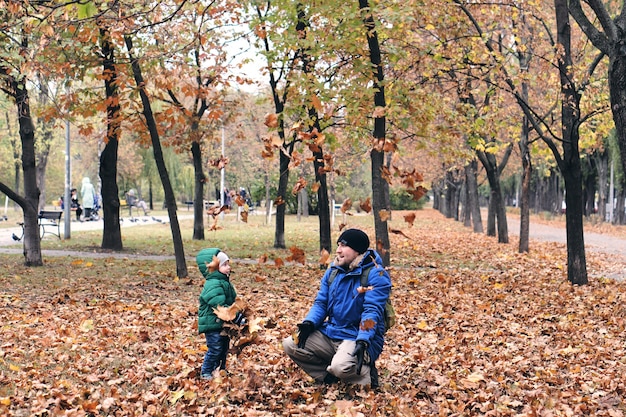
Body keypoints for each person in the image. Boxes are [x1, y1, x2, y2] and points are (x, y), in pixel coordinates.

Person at [283, 228, 392, 387]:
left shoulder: (376, 274)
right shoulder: (333, 272)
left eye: (344, 246)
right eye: (338, 245)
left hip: (357, 337)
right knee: (291, 344)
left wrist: (363, 340)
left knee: (341, 366)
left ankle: (367, 376)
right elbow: (321, 303)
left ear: (357, 251)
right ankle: (328, 377)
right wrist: (309, 323)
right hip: (333, 331)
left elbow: (372, 311)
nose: (338, 250)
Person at [196, 248, 244, 380]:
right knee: (215, 348)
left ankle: (220, 370)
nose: (228, 267)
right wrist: (235, 316)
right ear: (213, 268)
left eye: (228, 264)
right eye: (224, 265)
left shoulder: (225, 283)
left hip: (222, 323)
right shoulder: (213, 284)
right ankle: (206, 372)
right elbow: (219, 305)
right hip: (213, 324)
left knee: (223, 348)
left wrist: (240, 311)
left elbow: (233, 301)